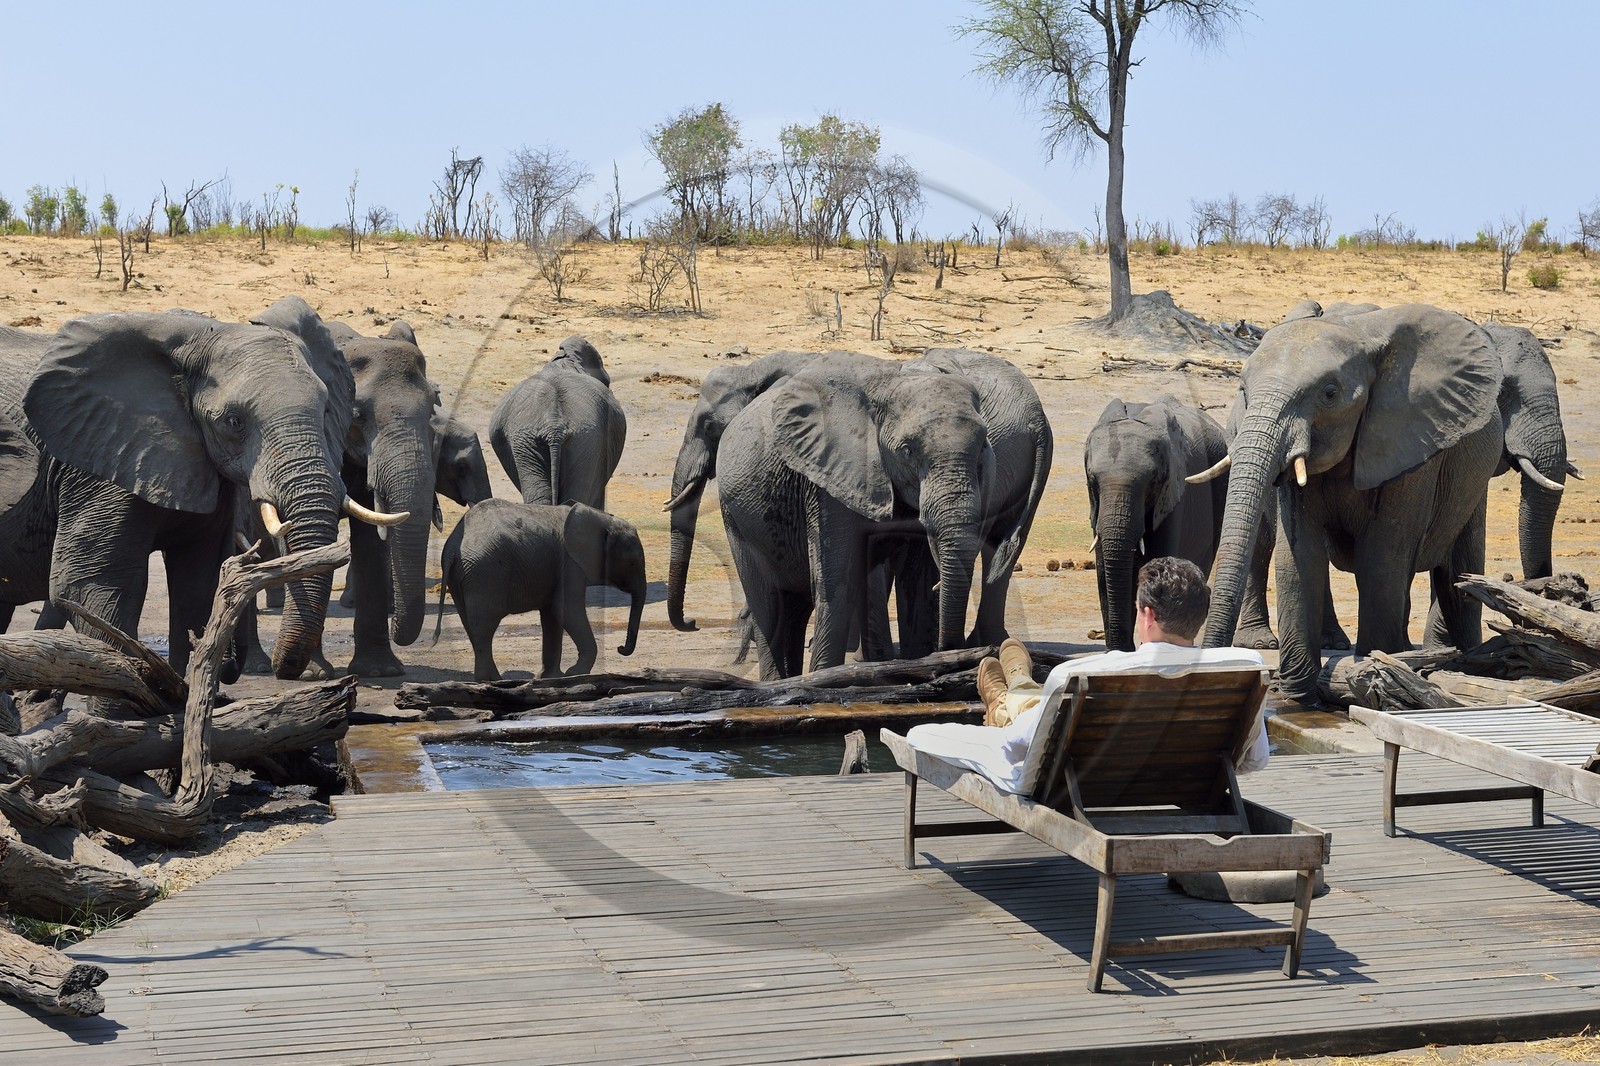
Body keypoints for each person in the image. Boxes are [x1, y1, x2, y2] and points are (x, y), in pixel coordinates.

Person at [906, 557, 1269, 795]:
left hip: (1072, 788)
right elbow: (1255, 760)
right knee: (1034, 710)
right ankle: (1015, 688)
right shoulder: (1245, 667)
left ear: (1147, 615)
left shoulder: (1084, 672)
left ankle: (1006, 701)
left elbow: (1015, 745)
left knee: (923, 734)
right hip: (1190, 786)